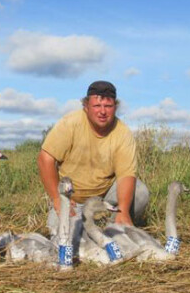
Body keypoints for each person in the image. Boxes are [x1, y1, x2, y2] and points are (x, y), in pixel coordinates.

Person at [38, 80, 149, 236]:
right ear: (86, 107)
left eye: (108, 106)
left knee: (141, 191)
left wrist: (123, 210)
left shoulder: (123, 133)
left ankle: (111, 229)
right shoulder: (70, 123)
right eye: (97, 106)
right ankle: (88, 230)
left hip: (104, 201)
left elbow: (126, 175)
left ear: (115, 108)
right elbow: (45, 159)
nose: (102, 111)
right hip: (72, 200)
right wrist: (57, 199)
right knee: (60, 235)